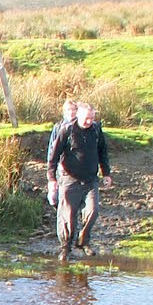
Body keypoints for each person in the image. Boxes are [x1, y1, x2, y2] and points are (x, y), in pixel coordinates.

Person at [47, 101, 112, 261]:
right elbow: (53, 156)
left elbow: (102, 151)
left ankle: (83, 241)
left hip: (91, 180)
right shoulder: (66, 131)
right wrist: (51, 179)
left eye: (92, 118)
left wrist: (106, 173)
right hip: (69, 179)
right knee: (67, 216)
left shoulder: (96, 130)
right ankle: (65, 247)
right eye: (87, 118)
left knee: (93, 211)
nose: (89, 121)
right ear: (79, 115)